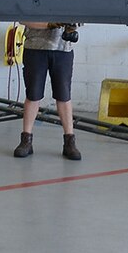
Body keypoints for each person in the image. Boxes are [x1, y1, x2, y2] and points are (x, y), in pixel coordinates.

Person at [14, 21, 81, 161]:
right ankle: (26, 140)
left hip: (63, 50)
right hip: (34, 48)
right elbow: (23, 18)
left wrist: (72, 25)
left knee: (64, 95)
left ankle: (70, 142)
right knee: (33, 94)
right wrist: (50, 25)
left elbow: (80, 18)